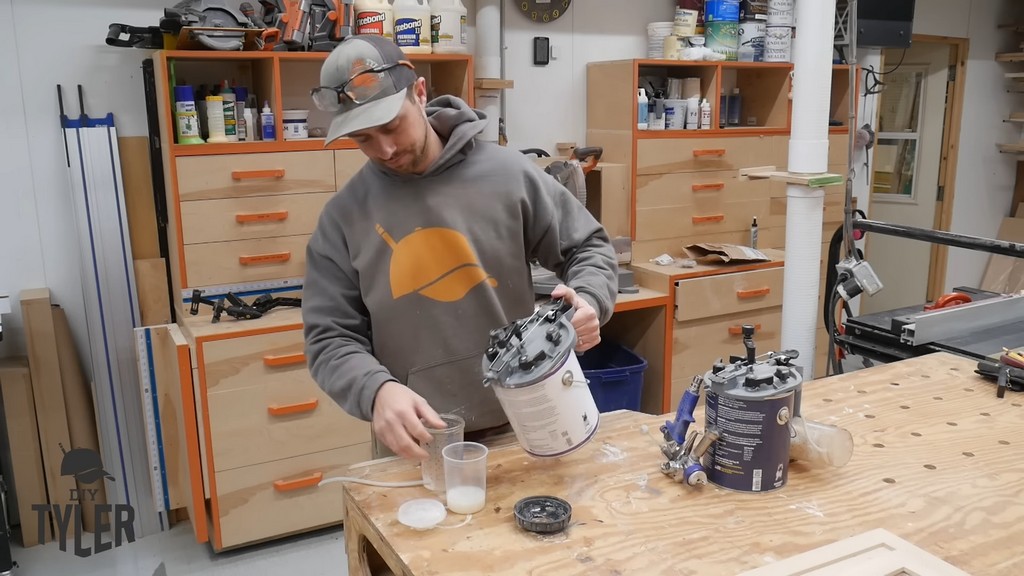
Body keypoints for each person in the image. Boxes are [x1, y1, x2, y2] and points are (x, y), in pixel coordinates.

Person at [302, 34, 618, 462]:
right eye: (363, 140)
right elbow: (330, 338)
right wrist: (376, 391)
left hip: (528, 422)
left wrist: (591, 300)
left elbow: (589, 246)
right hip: (420, 443)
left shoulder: (507, 174)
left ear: (419, 92)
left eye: (392, 127)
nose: (385, 149)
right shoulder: (343, 218)